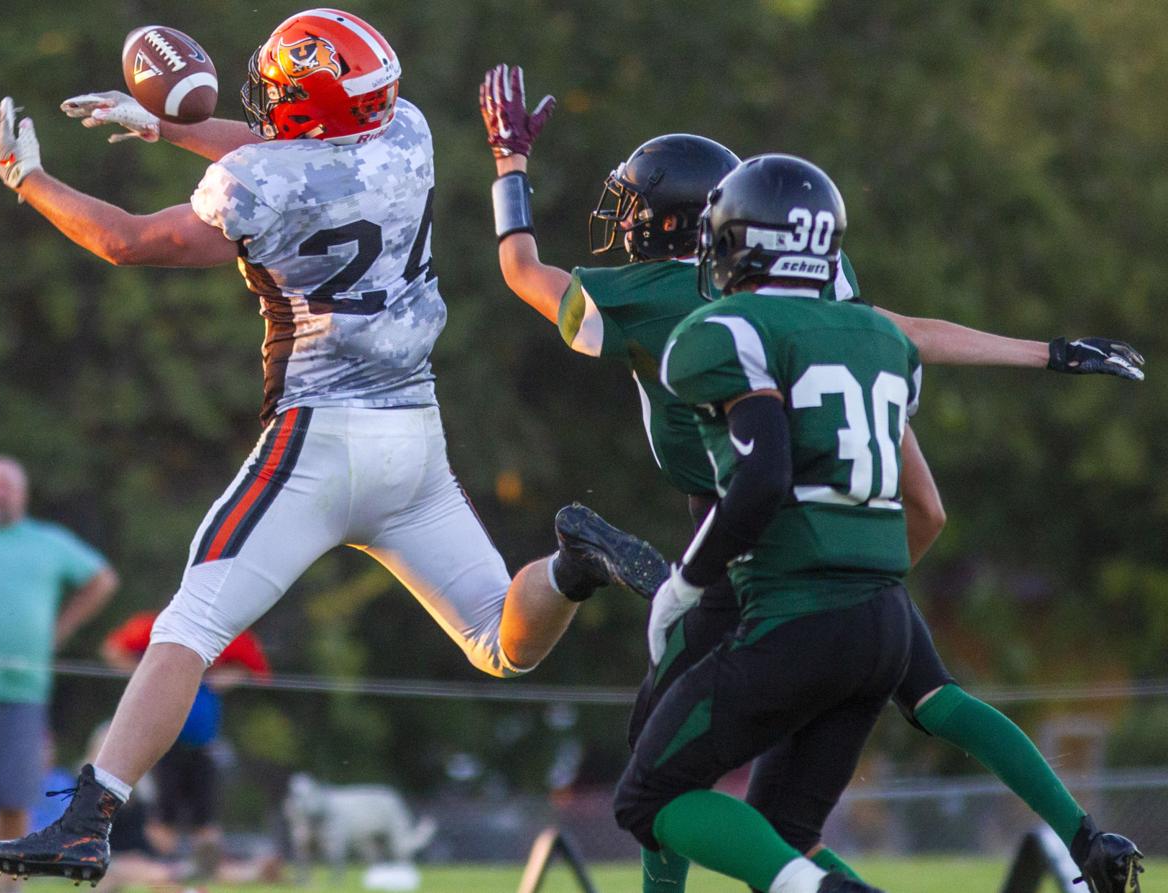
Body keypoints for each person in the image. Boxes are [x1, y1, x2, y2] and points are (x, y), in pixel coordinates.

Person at [0, 10, 667, 884]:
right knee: (501, 640)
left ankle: (86, 819)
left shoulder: (253, 186)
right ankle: (568, 567)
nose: (262, 92)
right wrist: (162, 124)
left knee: (189, 624)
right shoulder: (407, 133)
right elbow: (285, 153)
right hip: (414, 441)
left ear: (308, 107)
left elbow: (129, 239)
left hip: (315, 437)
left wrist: (27, 178)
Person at [478, 66, 1144, 893]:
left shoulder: (688, 309)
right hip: (865, 552)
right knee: (920, 708)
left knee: (654, 779)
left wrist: (509, 162)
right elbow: (924, 468)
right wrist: (1046, 352)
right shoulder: (840, 304)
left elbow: (521, 270)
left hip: (752, 551)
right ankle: (1084, 842)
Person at [0, 457, 118, 893]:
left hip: (22, 694)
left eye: (9, 487)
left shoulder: (47, 542)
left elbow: (102, 580)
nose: (1, 493)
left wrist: (61, 628)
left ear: (23, 495)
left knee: (14, 795)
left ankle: (1, 888)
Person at [101, 613, 270, 875]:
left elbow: (255, 667)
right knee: (164, 813)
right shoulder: (156, 626)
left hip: (203, 744)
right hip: (163, 745)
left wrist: (228, 675)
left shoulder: (224, 631)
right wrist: (149, 675)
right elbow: (113, 649)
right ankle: (164, 868)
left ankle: (203, 868)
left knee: (205, 813)